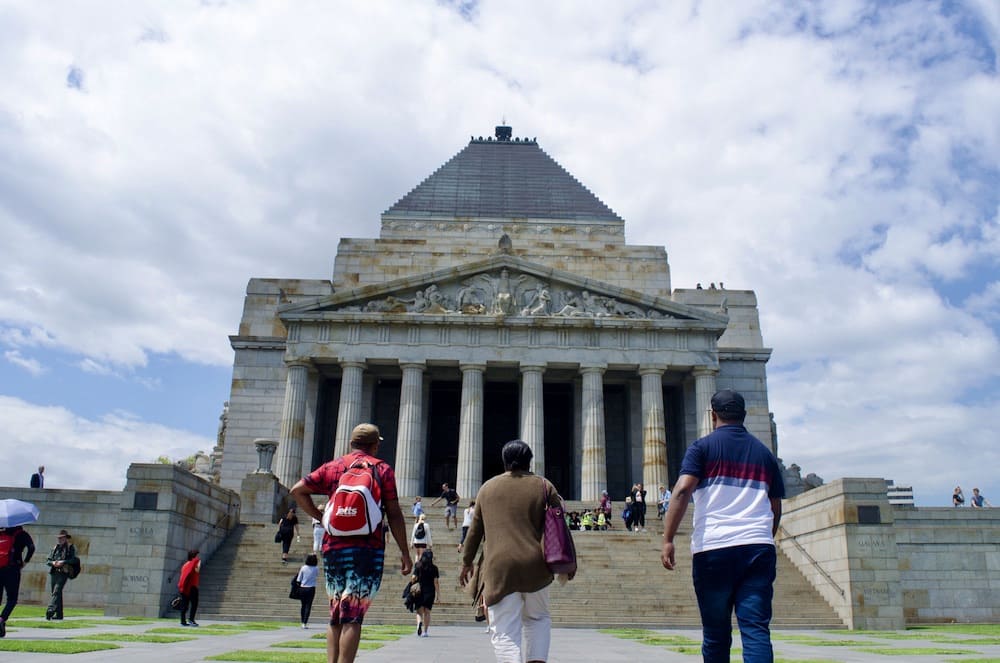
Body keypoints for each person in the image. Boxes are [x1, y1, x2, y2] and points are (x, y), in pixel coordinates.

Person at [661, 389, 785, 663]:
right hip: (757, 547)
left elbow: (682, 492)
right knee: (755, 629)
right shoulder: (765, 455)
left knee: (716, 633)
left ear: (713, 415)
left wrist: (668, 538)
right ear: (744, 415)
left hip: (714, 548)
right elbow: (775, 506)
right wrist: (765, 535)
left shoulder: (702, 448)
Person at [289, 423, 412, 663]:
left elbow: (297, 490)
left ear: (351, 444)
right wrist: (405, 552)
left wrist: (319, 516)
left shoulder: (333, 467)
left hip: (333, 547)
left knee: (336, 612)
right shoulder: (382, 469)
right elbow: (394, 513)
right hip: (367, 549)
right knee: (353, 614)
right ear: (375, 445)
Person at [459, 439, 572, 663]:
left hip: (499, 568)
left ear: (504, 461)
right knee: (538, 619)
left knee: (504, 628)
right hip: (537, 565)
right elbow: (560, 526)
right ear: (530, 461)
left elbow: (474, 532)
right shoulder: (544, 486)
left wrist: (466, 562)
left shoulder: (487, 488)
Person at [0, 525, 35, 638]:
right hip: (13, 569)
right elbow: (31, 547)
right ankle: (2, 619)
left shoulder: (2, 533)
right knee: (12, 599)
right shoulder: (21, 534)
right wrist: (25, 561)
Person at [45, 529, 79, 620]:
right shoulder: (55, 548)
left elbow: (75, 560)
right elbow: (48, 560)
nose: (60, 540)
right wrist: (53, 563)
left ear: (66, 538)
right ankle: (59, 614)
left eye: (62, 538)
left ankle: (50, 610)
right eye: (59, 538)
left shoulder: (70, 547)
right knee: (56, 593)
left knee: (57, 590)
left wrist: (63, 562)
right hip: (54, 572)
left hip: (64, 572)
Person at [410, 550, 440, 637]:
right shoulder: (434, 568)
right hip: (430, 592)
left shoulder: (418, 566)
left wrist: (413, 581)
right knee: (427, 612)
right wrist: (438, 595)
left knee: (419, 612)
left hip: (419, 591)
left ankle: (419, 623)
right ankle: (425, 631)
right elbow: (436, 582)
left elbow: (413, 577)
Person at [177, 549, 201, 627]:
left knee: (184, 604)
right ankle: (191, 620)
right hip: (192, 586)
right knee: (194, 604)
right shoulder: (195, 563)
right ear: (195, 556)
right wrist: (198, 563)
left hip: (184, 587)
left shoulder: (185, 564)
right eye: (197, 555)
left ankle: (183, 621)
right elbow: (197, 571)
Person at [297, 554, 319, 628]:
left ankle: (302, 620)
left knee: (303, 605)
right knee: (308, 605)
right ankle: (305, 622)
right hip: (311, 588)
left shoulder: (303, 568)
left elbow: (299, 579)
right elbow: (316, 575)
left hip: (303, 587)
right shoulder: (316, 568)